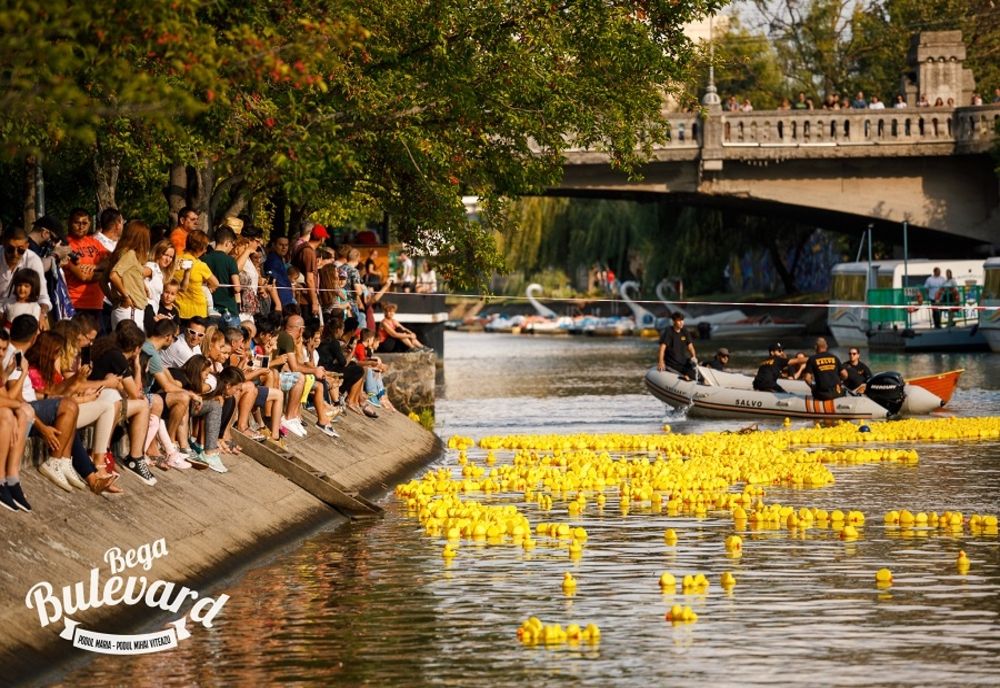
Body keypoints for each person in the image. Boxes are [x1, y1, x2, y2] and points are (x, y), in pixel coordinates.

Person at [1, 227, 53, 325]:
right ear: (3, 244)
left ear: (27, 246)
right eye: (10, 249)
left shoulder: (33, 259)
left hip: (24, 316)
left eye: (21, 250)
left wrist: (42, 314)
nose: (15, 254)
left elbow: (43, 296)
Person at [108, 220, 151, 329]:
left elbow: (103, 281)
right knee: (131, 344)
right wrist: (126, 296)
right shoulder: (130, 254)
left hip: (124, 309)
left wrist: (114, 300)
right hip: (130, 310)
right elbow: (113, 275)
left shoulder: (120, 253)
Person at [174, 230, 219, 320]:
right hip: (198, 310)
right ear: (199, 248)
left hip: (178, 308)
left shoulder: (176, 260)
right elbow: (216, 283)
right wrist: (206, 286)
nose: (205, 250)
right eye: (205, 248)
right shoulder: (200, 265)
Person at [202, 226, 242, 328]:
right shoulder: (230, 260)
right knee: (233, 341)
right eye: (233, 244)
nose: (232, 247)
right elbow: (237, 287)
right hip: (229, 310)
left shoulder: (204, 259)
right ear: (227, 242)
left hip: (211, 310)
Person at [290, 224, 330, 320]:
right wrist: (314, 302)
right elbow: (309, 279)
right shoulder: (309, 252)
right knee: (310, 329)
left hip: (304, 296)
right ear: (322, 239)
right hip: (306, 299)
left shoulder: (302, 247)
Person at [656, 312, 697, 380]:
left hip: (683, 361)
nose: (681, 322)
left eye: (682, 320)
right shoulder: (669, 331)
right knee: (688, 376)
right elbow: (662, 348)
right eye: (679, 320)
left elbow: (690, 347)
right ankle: (685, 376)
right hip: (672, 363)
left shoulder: (685, 331)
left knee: (695, 370)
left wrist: (694, 357)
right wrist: (661, 361)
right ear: (674, 321)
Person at [263, 236, 295, 309]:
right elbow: (271, 280)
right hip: (281, 302)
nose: (284, 247)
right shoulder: (273, 260)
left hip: (286, 300)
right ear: (274, 245)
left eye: (286, 245)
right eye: (281, 245)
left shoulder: (279, 258)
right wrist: (278, 304)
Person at [145, 240, 176, 310]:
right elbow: (135, 275)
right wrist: (144, 288)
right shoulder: (152, 267)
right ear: (158, 253)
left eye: (171, 257)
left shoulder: (159, 272)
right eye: (165, 255)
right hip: (145, 309)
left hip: (152, 312)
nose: (168, 259)